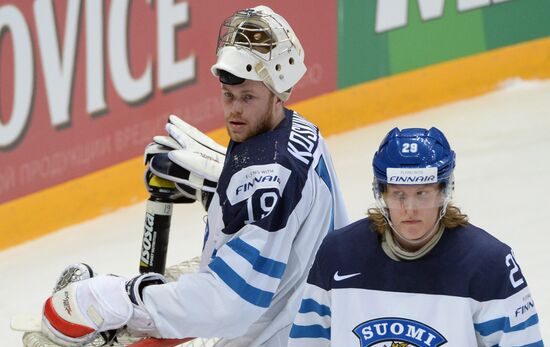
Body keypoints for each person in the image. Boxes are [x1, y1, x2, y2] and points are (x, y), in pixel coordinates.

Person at [38, 5, 349, 347]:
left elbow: (230, 304)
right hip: (315, 322)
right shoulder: (299, 130)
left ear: (278, 94)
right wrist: (226, 192)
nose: (234, 110)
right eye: (228, 95)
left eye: (248, 97)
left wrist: (123, 299)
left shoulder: (269, 176)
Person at [289, 127, 544, 346]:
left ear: (443, 192)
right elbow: (308, 340)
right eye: (399, 194)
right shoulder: (339, 254)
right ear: (383, 194)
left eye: (422, 193)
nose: (410, 209)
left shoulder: (488, 264)